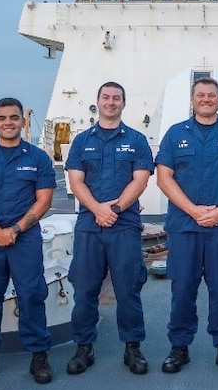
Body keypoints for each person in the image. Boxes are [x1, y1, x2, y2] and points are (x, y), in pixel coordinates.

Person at [155, 77, 218, 376]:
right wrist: (193, 210)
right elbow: (164, 178)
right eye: (201, 95)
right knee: (183, 288)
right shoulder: (175, 135)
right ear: (192, 99)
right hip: (184, 227)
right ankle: (179, 347)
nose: (206, 99)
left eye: (212, 95)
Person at [0, 98, 57, 385]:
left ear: (23, 121)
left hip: (25, 238)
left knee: (31, 295)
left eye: (14, 118)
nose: (8, 122)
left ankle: (38, 355)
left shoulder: (37, 158)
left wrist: (15, 230)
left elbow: (44, 200)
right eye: (2, 118)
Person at [64, 82, 154, 375]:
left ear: (123, 104)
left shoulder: (137, 140)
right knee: (85, 289)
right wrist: (97, 209)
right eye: (106, 97)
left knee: (128, 289)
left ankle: (132, 348)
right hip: (90, 226)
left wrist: (114, 209)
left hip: (124, 225)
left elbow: (140, 180)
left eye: (117, 98)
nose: (111, 102)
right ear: (98, 102)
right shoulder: (81, 141)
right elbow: (76, 181)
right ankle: (83, 348)